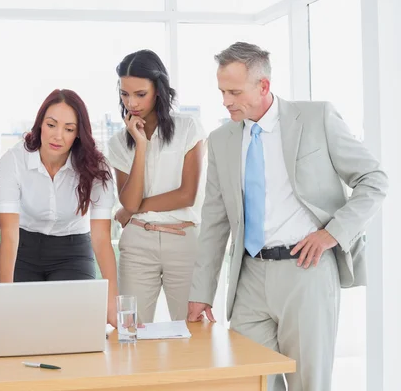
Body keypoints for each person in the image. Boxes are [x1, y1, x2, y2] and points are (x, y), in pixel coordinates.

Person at [187, 42, 388, 391]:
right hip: (249, 277)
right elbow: (215, 220)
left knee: (309, 383)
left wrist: (333, 233)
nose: (225, 101)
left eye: (234, 91)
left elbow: (374, 180)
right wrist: (201, 292)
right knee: (249, 382)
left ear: (263, 86)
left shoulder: (316, 118)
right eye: (221, 91)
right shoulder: (221, 140)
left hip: (306, 271)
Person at [0, 89, 118, 327]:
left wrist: (112, 303)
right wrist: (5, 300)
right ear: (40, 124)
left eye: (69, 129)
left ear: (78, 135)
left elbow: (101, 238)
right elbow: (9, 235)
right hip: (24, 248)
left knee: (72, 326)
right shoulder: (13, 161)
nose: (58, 136)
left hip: (72, 249)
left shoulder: (96, 168)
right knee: (24, 327)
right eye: (51, 125)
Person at [107, 49, 207, 324]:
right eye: (125, 94)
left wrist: (134, 209)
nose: (131, 103)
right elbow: (128, 201)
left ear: (159, 90)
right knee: (131, 329)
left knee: (194, 330)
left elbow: (187, 195)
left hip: (184, 240)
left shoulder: (188, 128)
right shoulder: (118, 142)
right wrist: (140, 145)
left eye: (140, 94)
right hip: (138, 242)